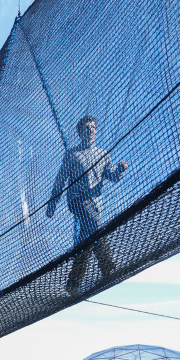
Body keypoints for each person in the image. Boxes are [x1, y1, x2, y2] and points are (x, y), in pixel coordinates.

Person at [47, 115, 128, 295]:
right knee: (96, 228)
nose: (90, 130)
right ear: (79, 132)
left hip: (95, 204)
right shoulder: (72, 154)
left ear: (96, 131)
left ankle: (72, 284)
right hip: (77, 200)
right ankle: (108, 268)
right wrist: (52, 203)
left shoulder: (103, 154)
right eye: (86, 128)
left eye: (92, 127)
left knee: (87, 240)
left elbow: (112, 177)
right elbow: (60, 179)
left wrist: (120, 170)